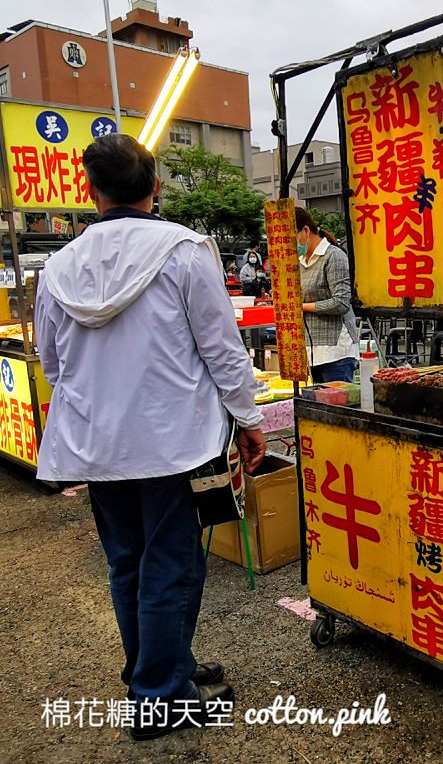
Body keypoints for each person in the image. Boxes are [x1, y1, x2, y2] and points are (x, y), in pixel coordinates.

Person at [34, 134, 266, 741]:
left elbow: (52, 363)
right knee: (171, 564)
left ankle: (159, 671)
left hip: (98, 446)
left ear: (91, 190)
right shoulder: (186, 251)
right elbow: (221, 348)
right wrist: (249, 419)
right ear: (155, 186)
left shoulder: (58, 267)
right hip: (172, 440)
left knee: (127, 564)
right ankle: (159, 696)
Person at [296, 207, 359, 383]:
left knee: (337, 405)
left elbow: (341, 302)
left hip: (336, 351)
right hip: (312, 350)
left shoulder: (334, 256)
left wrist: (303, 307)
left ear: (306, 230)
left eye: (290, 239)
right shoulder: (300, 262)